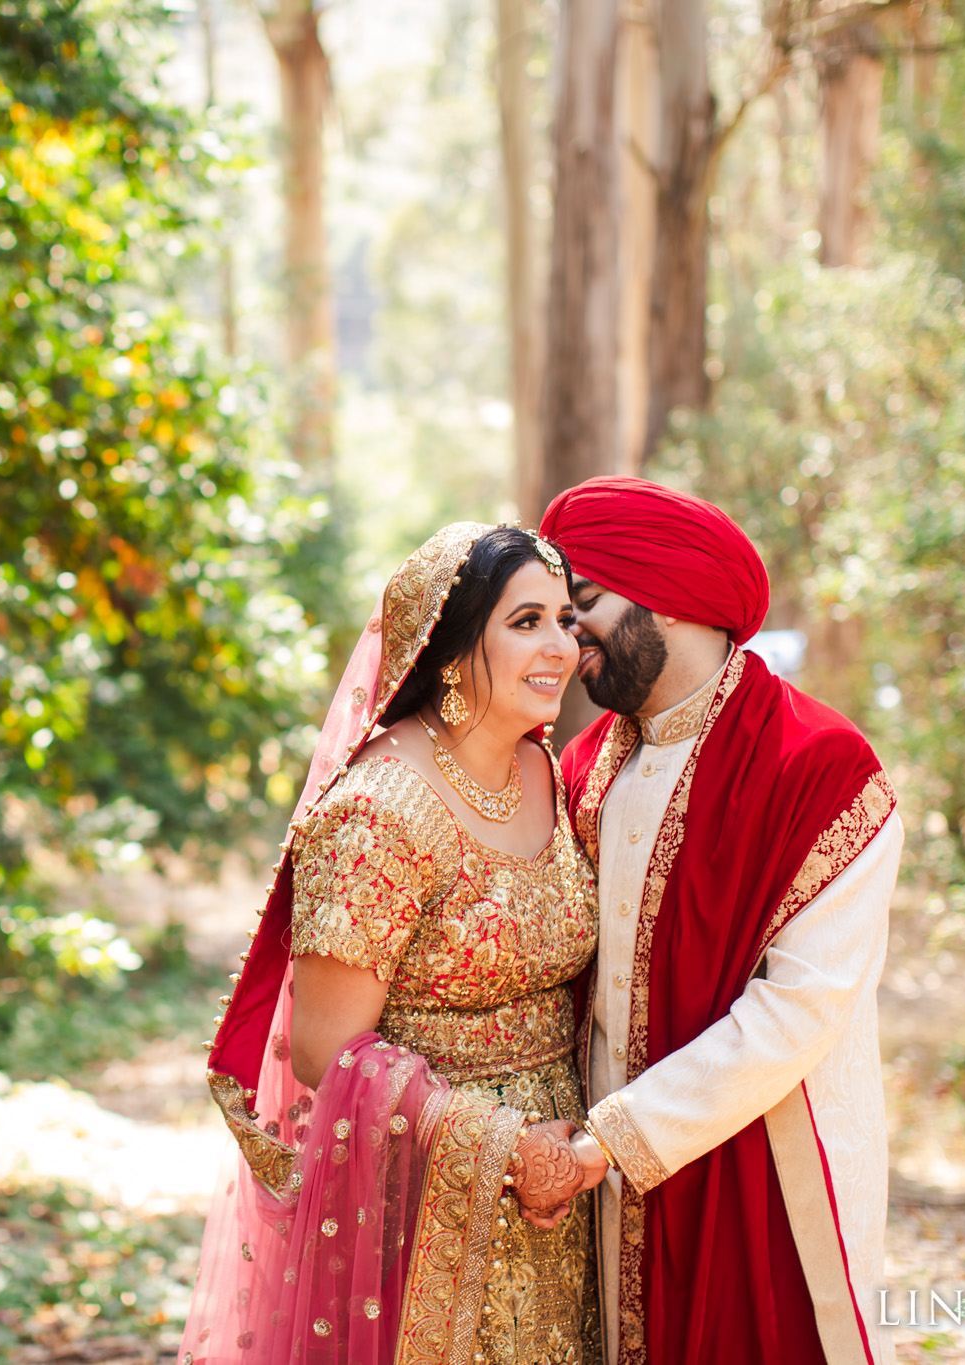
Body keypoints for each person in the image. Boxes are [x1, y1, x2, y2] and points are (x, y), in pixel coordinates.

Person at [179, 523, 611, 1365]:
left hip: (562, 1190)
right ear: (449, 650)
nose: (562, 644)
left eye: (566, 618)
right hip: (419, 1208)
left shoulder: (544, 772)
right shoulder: (378, 810)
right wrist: (501, 1146)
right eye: (526, 621)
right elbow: (325, 1049)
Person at [535, 476, 901, 1365]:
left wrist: (613, 1140)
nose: (565, 633)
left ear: (671, 597)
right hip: (591, 1192)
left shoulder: (821, 770)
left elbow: (798, 1011)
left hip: (764, 1174)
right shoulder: (580, 769)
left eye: (582, 603)